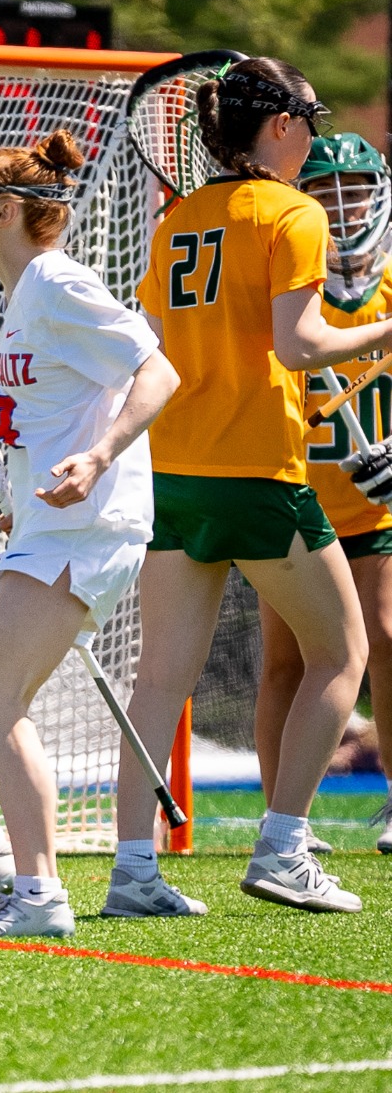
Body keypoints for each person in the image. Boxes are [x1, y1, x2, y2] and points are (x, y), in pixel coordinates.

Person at [119, 56, 392, 917]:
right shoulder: (293, 210)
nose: (312, 133)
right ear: (279, 125)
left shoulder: (180, 218)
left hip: (180, 471)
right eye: (309, 116)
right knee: (344, 655)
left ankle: (132, 873)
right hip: (258, 472)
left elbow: (154, 350)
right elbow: (301, 344)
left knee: (160, 680)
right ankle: (283, 846)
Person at [0, 131, 177, 938]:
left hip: (87, 528)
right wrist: (28, 492)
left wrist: (99, 456)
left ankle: (41, 898)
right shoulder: (22, 299)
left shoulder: (56, 281)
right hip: (44, 526)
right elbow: (58, 413)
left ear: (7, 210)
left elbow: (158, 370)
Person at [256, 133, 392, 857]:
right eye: (327, 188)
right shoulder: (289, 282)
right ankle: (285, 819)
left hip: (378, 503)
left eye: (357, 187)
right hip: (299, 498)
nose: (344, 202)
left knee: (388, 638)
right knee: (288, 660)